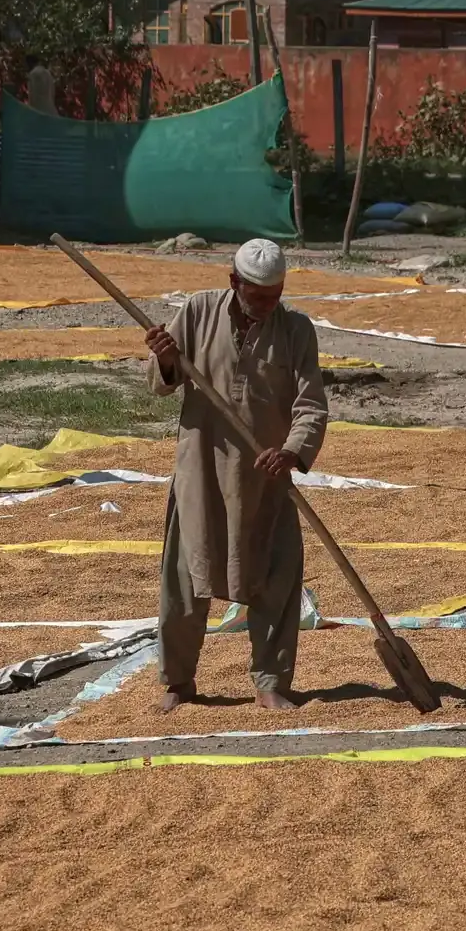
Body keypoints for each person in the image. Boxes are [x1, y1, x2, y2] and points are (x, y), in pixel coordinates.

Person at [144, 239, 328, 714]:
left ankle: (270, 682)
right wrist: (166, 358)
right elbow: (162, 382)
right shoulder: (198, 311)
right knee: (185, 580)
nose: (268, 307)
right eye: (258, 297)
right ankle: (179, 682)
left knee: (275, 580)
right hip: (202, 471)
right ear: (234, 283)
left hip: (266, 477)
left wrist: (291, 452)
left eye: (275, 296)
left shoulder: (297, 330)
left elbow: (310, 406)